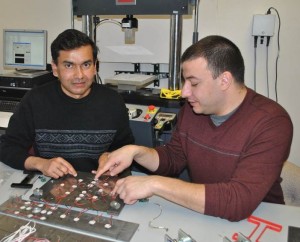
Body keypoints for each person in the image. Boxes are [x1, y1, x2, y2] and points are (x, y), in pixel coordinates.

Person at [95, 35, 293, 222]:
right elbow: (173, 158)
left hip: (261, 221)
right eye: (184, 81)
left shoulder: (272, 122)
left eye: (194, 82)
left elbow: (238, 201)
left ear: (224, 80)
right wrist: (136, 152)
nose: (184, 92)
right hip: (206, 214)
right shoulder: (193, 109)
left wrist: (154, 183)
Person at [0, 29, 134, 179]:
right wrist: (41, 164)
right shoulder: (35, 100)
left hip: (98, 186)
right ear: (55, 69)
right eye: (69, 66)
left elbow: (127, 149)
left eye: (86, 64)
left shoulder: (113, 102)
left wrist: (111, 157)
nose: (79, 75)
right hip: (48, 187)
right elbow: (6, 148)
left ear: (95, 66)